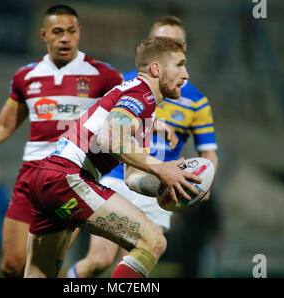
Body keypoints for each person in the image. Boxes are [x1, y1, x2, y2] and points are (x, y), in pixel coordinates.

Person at [0, 5, 123, 277]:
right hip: (31, 174)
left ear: (79, 33)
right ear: (44, 35)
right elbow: (2, 125)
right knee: (12, 265)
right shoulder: (26, 76)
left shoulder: (104, 76)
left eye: (71, 31)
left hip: (72, 176)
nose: (65, 38)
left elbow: (126, 118)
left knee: (45, 266)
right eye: (58, 32)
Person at [24, 36, 204, 278]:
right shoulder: (141, 94)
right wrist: (162, 168)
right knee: (153, 243)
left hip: (49, 177)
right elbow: (110, 139)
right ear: (156, 69)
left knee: (39, 274)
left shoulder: (142, 110)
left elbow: (132, 179)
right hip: (70, 176)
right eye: (180, 65)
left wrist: (169, 184)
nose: (186, 75)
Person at [67, 15, 219, 278]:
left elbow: (208, 153)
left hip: (155, 188)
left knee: (141, 255)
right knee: (99, 260)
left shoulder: (196, 101)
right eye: (163, 41)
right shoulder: (127, 83)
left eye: (176, 43)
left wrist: (206, 180)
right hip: (116, 177)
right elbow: (105, 133)